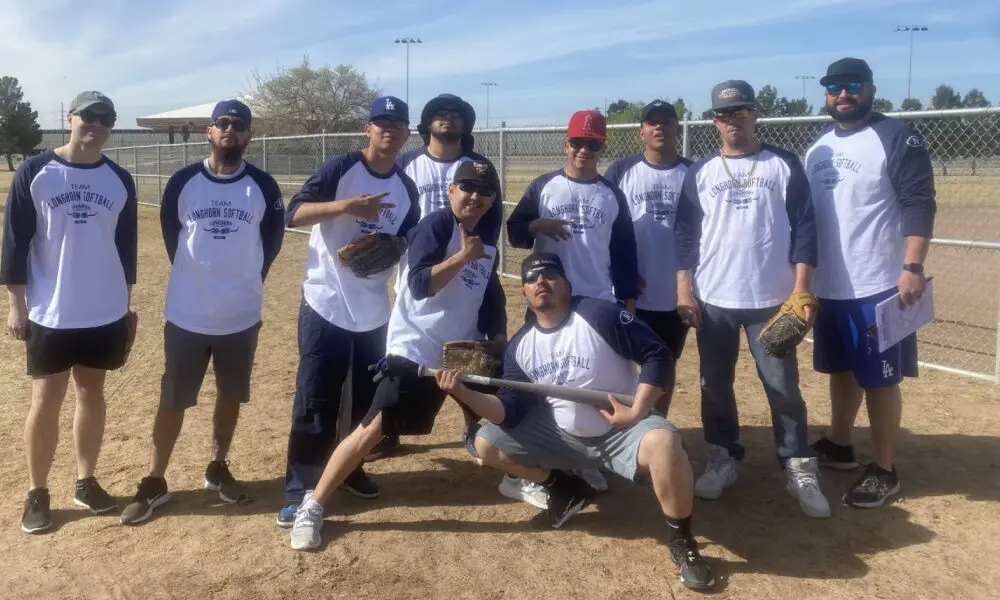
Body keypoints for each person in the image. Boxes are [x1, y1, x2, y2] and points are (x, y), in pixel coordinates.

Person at [432, 252, 715, 591]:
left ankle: (683, 542)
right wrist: (464, 393)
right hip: (563, 436)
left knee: (666, 444)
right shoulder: (521, 347)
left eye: (549, 275)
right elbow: (509, 411)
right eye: (532, 279)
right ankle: (564, 488)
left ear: (565, 284)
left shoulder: (600, 314)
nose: (541, 282)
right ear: (523, 293)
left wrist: (638, 410)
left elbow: (657, 354)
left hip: (619, 430)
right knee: (487, 443)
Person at [288, 159, 507, 550]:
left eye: (484, 191)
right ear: (452, 191)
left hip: (458, 352)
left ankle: (526, 473)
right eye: (467, 188)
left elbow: (490, 294)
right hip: (416, 349)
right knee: (373, 428)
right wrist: (462, 257)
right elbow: (421, 284)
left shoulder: (485, 243)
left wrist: (500, 334)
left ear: (492, 200)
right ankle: (313, 503)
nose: (475, 196)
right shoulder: (436, 226)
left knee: (503, 404)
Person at [119, 99, 286, 525]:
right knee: (173, 397)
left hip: (240, 316)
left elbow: (270, 245)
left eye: (239, 125)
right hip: (188, 315)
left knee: (231, 394)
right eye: (222, 123)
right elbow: (174, 241)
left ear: (250, 135)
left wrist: (243, 280)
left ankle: (217, 466)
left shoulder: (263, 187)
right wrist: (201, 280)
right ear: (209, 132)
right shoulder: (183, 182)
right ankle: (155, 479)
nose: (230, 130)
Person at [674, 80, 830, 518]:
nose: (733, 121)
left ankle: (798, 465)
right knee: (714, 386)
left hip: (772, 300)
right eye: (724, 114)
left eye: (741, 111)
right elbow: (685, 234)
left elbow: (805, 227)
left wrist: (802, 287)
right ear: (713, 121)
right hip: (716, 300)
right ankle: (723, 458)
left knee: (782, 387)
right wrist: (684, 288)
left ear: (755, 114)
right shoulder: (701, 171)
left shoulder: (781, 164)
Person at [276, 96, 420, 528]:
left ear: (406, 134)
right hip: (326, 300)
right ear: (368, 130)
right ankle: (300, 488)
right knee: (315, 397)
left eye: (397, 124)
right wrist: (345, 207)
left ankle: (350, 469)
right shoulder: (341, 169)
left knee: (363, 400)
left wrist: (391, 248)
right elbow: (294, 213)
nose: (388, 130)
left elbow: (406, 239)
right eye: (381, 123)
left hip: (373, 308)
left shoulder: (405, 187)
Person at [0, 91, 138, 533]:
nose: (97, 124)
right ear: (71, 118)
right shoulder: (36, 171)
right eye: (90, 116)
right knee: (46, 399)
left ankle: (85, 481)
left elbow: (126, 248)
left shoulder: (118, 178)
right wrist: (15, 306)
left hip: (103, 309)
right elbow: (15, 244)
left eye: (107, 118)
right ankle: (37, 493)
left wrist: (126, 308)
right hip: (50, 310)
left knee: (91, 392)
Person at [804, 58, 936, 508]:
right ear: (826, 94)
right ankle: (841, 444)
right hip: (829, 284)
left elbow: (920, 202)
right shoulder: (818, 146)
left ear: (871, 88)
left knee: (880, 380)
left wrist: (913, 266)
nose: (844, 93)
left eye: (853, 85)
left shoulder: (897, 137)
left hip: (878, 283)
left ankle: (884, 468)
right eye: (835, 86)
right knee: (840, 371)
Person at [505, 109, 639, 500]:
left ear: (602, 147)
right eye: (578, 142)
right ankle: (547, 456)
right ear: (566, 144)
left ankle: (589, 459)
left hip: (596, 300)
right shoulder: (545, 187)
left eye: (593, 144)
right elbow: (514, 232)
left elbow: (625, 252)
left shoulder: (610, 193)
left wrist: (628, 301)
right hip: (547, 301)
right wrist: (536, 226)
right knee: (547, 380)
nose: (584, 149)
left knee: (593, 384)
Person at [368, 93, 505, 461]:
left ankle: (475, 422)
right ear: (427, 122)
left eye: (456, 114)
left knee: (467, 347)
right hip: (419, 269)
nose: (447, 118)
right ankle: (390, 429)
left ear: (465, 125)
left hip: (467, 267)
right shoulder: (408, 163)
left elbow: (491, 223)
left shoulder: (476, 167)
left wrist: (476, 259)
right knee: (409, 350)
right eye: (440, 114)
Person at [605, 100, 694, 416]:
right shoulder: (622, 171)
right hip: (632, 292)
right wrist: (621, 275)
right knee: (621, 361)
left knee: (665, 362)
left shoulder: (693, 172)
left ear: (676, 128)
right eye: (652, 122)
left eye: (667, 121)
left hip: (675, 293)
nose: (660, 127)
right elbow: (608, 226)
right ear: (641, 131)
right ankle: (622, 424)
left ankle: (656, 421)